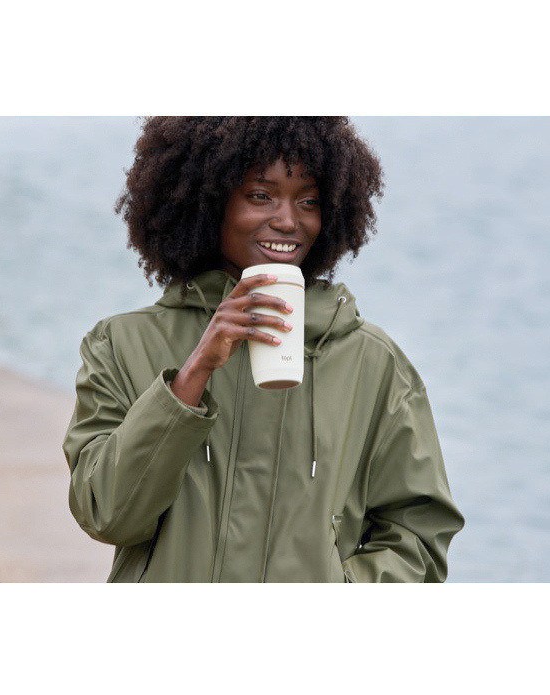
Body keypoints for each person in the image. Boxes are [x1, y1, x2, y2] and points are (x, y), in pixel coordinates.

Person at [62, 116, 464, 582]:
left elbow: (419, 535)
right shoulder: (121, 344)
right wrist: (192, 375)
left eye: (309, 201)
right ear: (209, 200)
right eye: (260, 195)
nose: (288, 221)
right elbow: (106, 514)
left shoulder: (373, 363)